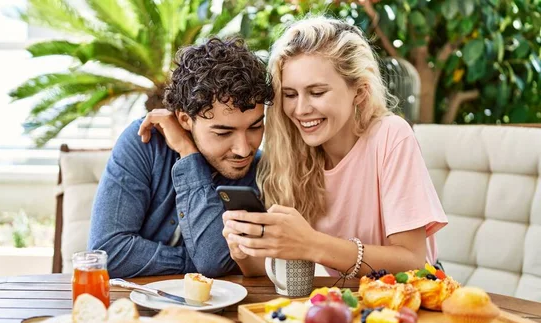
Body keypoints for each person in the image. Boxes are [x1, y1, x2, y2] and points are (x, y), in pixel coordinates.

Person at [223, 17, 447, 279]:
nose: (301, 109)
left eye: (317, 92)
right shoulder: (292, 152)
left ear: (360, 92)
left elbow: (413, 262)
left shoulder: (390, 136)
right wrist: (245, 251)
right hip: (339, 305)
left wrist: (312, 244)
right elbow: (268, 272)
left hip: (408, 300)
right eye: (291, 94)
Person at [88, 38, 274, 278]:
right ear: (185, 119)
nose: (242, 149)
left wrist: (188, 153)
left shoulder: (260, 172)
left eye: (255, 127)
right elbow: (108, 254)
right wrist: (190, 155)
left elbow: (210, 259)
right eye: (223, 132)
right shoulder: (144, 144)